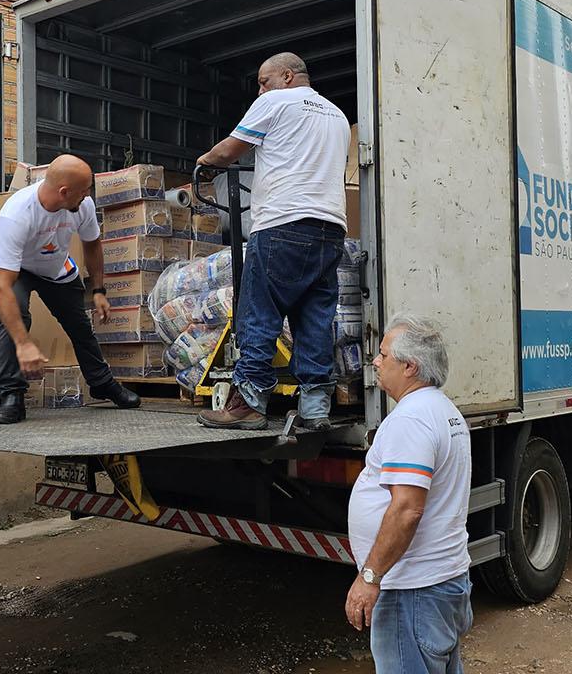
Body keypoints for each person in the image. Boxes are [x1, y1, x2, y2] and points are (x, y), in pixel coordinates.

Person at [195, 52, 350, 431]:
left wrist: (205, 162)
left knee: (259, 312)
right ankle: (315, 408)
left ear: (286, 75)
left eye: (263, 81)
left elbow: (230, 150)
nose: (259, 90)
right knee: (315, 315)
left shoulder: (275, 101)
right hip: (331, 228)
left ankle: (248, 401)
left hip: (283, 224)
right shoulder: (338, 115)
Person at [345, 315, 472, 674]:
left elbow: (406, 510)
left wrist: (369, 577)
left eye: (384, 355)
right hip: (438, 584)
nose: (375, 361)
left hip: (413, 593)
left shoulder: (412, 419)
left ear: (410, 366)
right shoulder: (443, 410)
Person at [0, 154, 141, 424]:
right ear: (64, 191)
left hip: (55, 267)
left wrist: (99, 290)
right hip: (16, 268)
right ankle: (11, 394)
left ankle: (101, 383)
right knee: (16, 317)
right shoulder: (17, 214)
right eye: (83, 191)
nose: (87, 196)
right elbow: (1, 287)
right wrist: (24, 344)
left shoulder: (83, 205)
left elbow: (92, 244)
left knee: (79, 325)